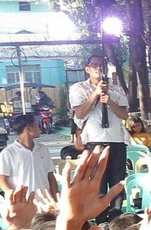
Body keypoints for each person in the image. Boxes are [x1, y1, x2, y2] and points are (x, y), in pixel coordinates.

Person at [68, 56, 128, 214]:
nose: (98, 68)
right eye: (94, 65)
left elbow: (124, 115)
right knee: (97, 183)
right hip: (94, 141)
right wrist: (95, 93)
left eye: (101, 65)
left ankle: (116, 215)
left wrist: (111, 102)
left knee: (117, 182)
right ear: (87, 69)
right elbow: (80, 113)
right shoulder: (78, 88)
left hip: (116, 140)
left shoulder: (116, 89)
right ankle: (100, 219)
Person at [0, 114, 57, 197]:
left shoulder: (43, 149)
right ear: (29, 128)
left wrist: (56, 198)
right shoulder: (8, 153)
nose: (40, 129)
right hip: (24, 206)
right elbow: (2, 180)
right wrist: (15, 198)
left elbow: (50, 176)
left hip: (46, 203)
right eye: (37, 125)